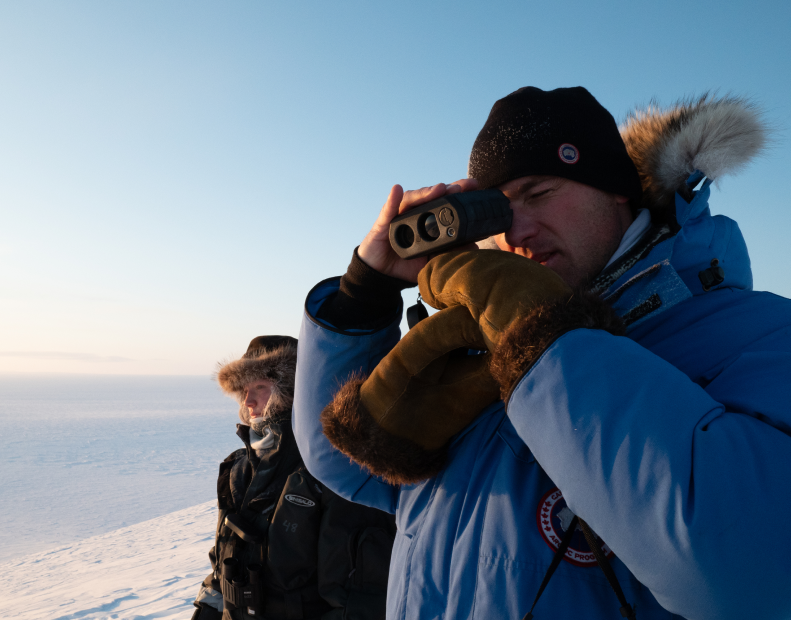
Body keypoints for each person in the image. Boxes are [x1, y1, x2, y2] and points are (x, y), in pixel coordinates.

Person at [292, 87, 791, 620]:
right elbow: (347, 464)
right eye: (497, 213)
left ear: (617, 190)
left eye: (539, 193)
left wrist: (546, 338)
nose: (518, 232)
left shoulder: (761, 336)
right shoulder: (478, 346)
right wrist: (362, 295)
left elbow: (748, 572)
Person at [192, 335, 396, 620]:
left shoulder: (330, 471)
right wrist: (204, 613)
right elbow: (222, 564)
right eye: (243, 390)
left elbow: (356, 600)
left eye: (260, 387)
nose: (248, 401)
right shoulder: (237, 469)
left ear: (291, 391)